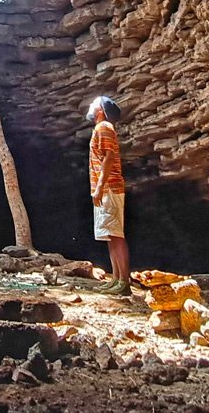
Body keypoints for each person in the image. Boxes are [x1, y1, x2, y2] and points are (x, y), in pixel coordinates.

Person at [86, 95, 130, 295]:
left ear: (101, 111)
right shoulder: (103, 128)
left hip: (109, 187)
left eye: (94, 104)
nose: (90, 106)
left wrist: (100, 186)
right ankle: (116, 279)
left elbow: (109, 157)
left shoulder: (103, 127)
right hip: (107, 188)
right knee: (111, 236)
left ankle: (123, 283)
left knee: (116, 235)